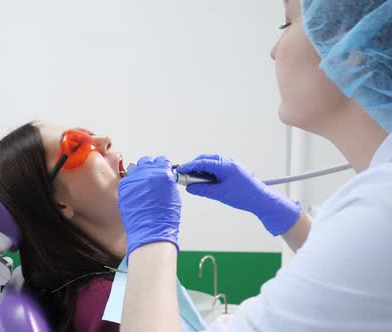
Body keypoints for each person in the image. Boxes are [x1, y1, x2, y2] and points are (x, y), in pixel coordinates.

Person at [118, 0, 392, 331]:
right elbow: (353, 279)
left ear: (351, 47)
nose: (273, 51)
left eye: (286, 24)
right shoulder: (376, 207)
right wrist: (287, 218)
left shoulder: (377, 212)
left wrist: (151, 238)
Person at [0, 121, 125, 332]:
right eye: (77, 145)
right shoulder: (110, 305)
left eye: (87, 133)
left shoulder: (114, 287)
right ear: (58, 202)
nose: (106, 141)